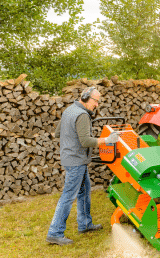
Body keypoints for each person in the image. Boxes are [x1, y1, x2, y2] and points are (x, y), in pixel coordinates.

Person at [46, 87, 119, 246]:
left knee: (84, 190)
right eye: (96, 101)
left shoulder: (69, 110)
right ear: (86, 98)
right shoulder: (82, 115)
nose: (97, 105)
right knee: (68, 196)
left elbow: (58, 133)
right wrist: (108, 140)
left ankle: (85, 224)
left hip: (71, 158)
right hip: (76, 161)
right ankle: (55, 232)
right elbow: (85, 141)